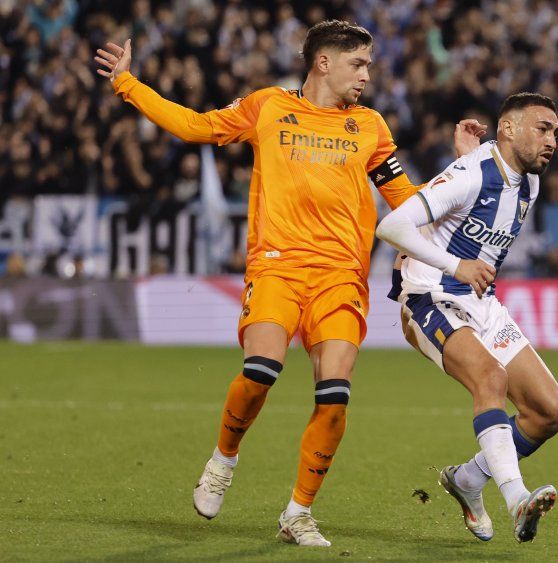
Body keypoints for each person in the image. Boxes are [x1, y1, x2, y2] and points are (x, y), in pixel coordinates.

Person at [94, 20, 484, 547]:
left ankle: (297, 514)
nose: (367, 75)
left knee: (335, 395)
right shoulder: (268, 106)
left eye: (368, 65)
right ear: (323, 62)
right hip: (276, 266)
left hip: (341, 276)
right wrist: (128, 82)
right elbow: (194, 126)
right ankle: (223, 458)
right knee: (260, 371)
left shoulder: (370, 126)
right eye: (359, 64)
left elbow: (410, 203)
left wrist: (463, 169)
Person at [376, 93, 558, 543]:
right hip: (428, 295)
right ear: (508, 129)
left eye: (556, 132)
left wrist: (470, 158)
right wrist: (454, 265)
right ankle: (517, 498)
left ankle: (467, 479)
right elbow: (391, 227)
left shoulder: (528, 182)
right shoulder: (469, 173)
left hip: (481, 303)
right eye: (542, 128)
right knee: (491, 380)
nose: (552, 140)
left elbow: (485, 192)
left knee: (550, 411)